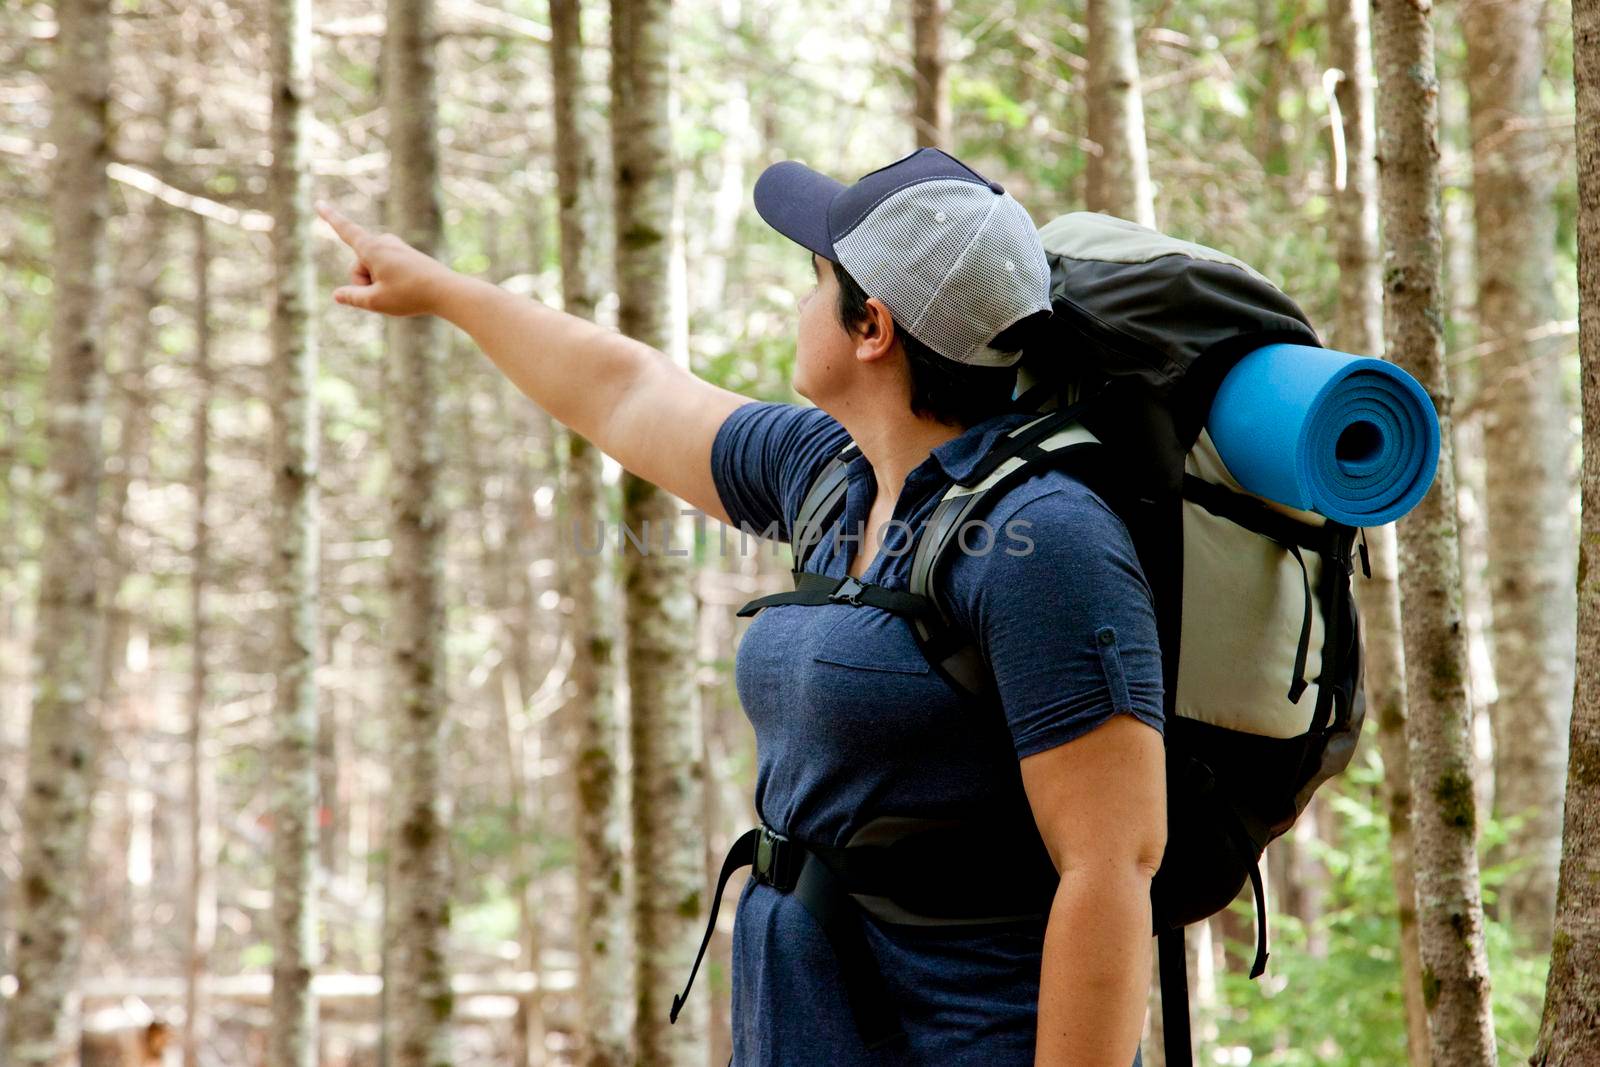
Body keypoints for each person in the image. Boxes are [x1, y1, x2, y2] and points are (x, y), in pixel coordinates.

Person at [318, 145, 1166, 1067]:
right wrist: (441, 289)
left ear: (870, 327)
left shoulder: (1050, 537)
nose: (801, 305)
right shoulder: (831, 475)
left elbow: (1113, 866)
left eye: (816, 282)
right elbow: (630, 389)